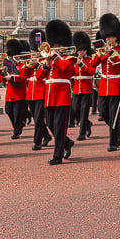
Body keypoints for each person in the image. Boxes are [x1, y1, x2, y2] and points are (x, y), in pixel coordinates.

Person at [40, 19, 76, 165]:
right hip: (49, 96)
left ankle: (57, 155)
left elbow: (67, 69)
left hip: (62, 96)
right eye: (52, 45)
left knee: (60, 127)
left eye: (56, 45)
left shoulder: (69, 57)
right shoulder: (49, 59)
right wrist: (46, 63)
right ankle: (66, 143)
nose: (53, 48)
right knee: (50, 125)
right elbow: (40, 76)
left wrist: (55, 57)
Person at [93, 13, 120, 152]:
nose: (109, 39)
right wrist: (103, 54)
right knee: (103, 111)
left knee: (114, 114)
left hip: (116, 85)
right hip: (104, 85)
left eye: (111, 37)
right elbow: (93, 64)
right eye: (107, 37)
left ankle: (113, 141)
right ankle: (117, 129)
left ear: (116, 36)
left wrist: (113, 54)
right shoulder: (102, 50)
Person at [21, 29, 51, 150]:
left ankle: (37, 141)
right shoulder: (31, 60)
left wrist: (37, 64)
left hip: (41, 91)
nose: (33, 52)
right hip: (31, 93)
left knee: (39, 118)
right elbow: (23, 75)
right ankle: (47, 136)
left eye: (35, 50)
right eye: (32, 50)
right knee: (35, 118)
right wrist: (28, 65)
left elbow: (41, 75)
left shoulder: (45, 60)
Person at [71, 31, 96, 141]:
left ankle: (82, 133)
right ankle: (87, 123)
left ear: (86, 49)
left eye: (82, 49)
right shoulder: (74, 61)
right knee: (75, 110)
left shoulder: (89, 60)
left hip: (86, 88)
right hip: (76, 88)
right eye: (79, 50)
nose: (80, 52)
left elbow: (91, 72)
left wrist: (82, 64)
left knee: (84, 111)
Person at [3, 38, 27, 140]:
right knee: (9, 111)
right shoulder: (8, 64)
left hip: (19, 93)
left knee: (17, 114)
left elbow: (23, 77)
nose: (12, 57)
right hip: (10, 92)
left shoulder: (23, 64)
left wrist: (12, 77)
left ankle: (16, 131)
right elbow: (3, 77)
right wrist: (3, 74)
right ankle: (18, 125)